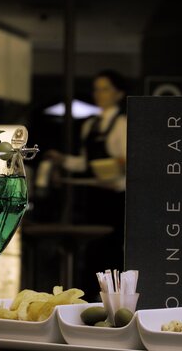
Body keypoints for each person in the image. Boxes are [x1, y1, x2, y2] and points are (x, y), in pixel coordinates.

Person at [46, 69, 128, 299]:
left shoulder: (123, 124)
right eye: (96, 89)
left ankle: (113, 301)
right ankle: (89, 300)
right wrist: (63, 160)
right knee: (92, 252)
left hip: (114, 197)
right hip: (93, 196)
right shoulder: (90, 125)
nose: (99, 94)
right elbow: (85, 163)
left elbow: (127, 161)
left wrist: (115, 166)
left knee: (111, 250)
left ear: (119, 93)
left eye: (105, 89)